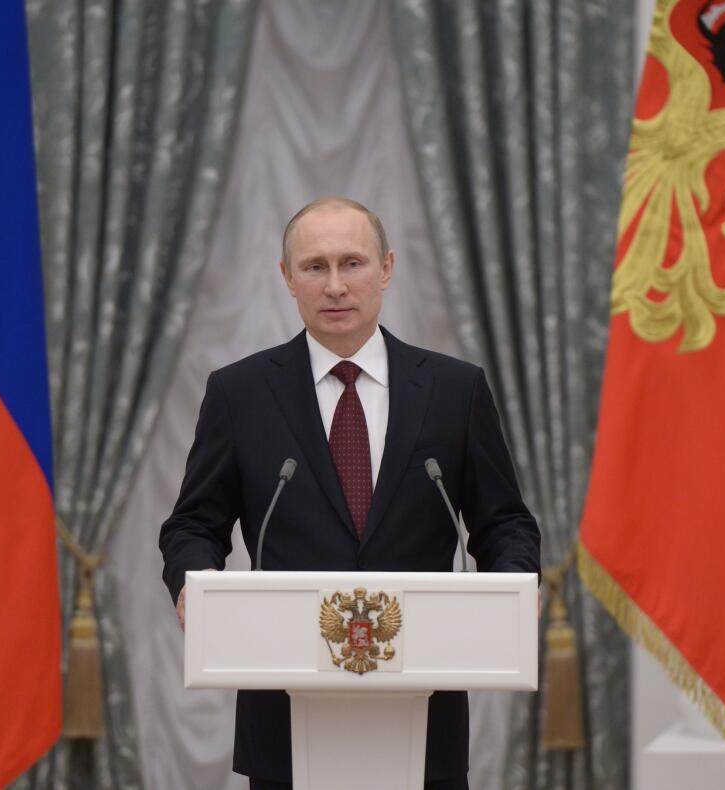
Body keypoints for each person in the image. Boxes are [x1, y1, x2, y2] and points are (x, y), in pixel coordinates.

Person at [159, 197, 540, 789]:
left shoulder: (454, 389)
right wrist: (192, 585)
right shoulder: (240, 393)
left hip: (423, 710)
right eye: (314, 267)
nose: (335, 285)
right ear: (287, 278)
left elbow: (504, 524)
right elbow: (192, 526)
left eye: (352, 263)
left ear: (386, 268)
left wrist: (516, 585)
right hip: (284, 716)